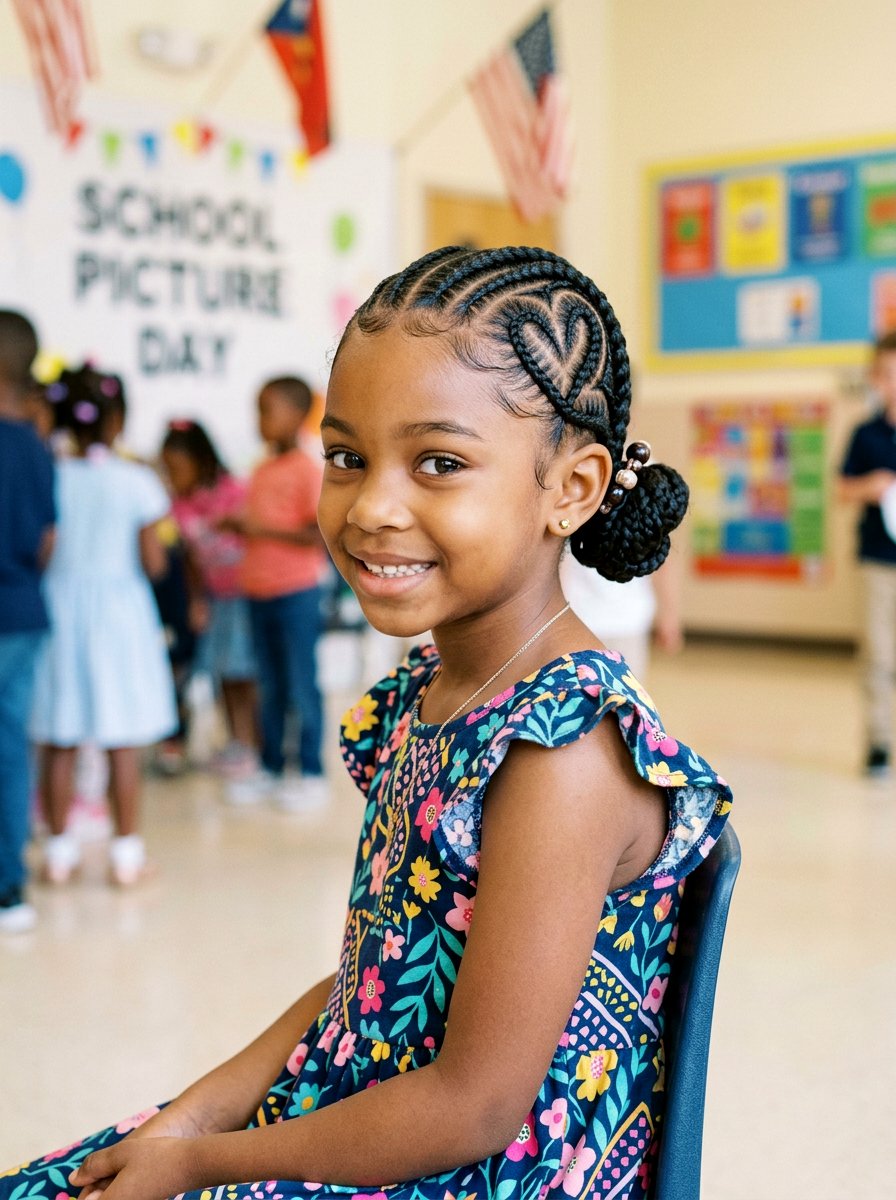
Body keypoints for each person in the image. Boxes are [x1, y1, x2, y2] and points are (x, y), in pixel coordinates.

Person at [1, 248, 732, 1199]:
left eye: (440, 463)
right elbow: (368, 985)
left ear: (572, 488)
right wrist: (182, 1121)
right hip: (368, 1105)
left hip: (477, 1169)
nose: (372, 507)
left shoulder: (561, 751)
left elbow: (475, 1105)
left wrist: (198, 1161)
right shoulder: (435, 687)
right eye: (346, 457)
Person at [29, 365, 177, 886]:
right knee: (122, 740)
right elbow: (155, 563)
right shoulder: (136, 480)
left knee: (59, 736)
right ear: (117, 420)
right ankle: (126, 857)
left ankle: (59, 854)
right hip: (120, 616)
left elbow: (43, 551)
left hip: (61, 612)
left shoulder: (51, 473)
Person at [227, 376, 328, 810]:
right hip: (258, 592)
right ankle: (270, 767)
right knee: (268, 684)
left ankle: (309, 772)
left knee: (300, 683)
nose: (259, 421)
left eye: (267, 410)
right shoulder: (262, 468)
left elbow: (316, 533)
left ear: (297, 415)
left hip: (295, 593)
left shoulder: (308, 470)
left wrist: (258, 529)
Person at [161, 419, 258, 777]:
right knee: (222, 673)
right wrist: (196, 600)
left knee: (245, 676)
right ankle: (237, 743)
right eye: (167, 470)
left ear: (201, 461)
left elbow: (254, 535)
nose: (172, 477)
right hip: (215, 599)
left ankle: (255, 745)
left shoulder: (233, 490)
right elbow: (189, 559)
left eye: (178, 469)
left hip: (245, 595)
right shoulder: (178, 506)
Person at [0, 310, 55, 933]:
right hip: (24, 611)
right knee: (12, 748)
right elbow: (47, 539)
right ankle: (10, 885)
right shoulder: (37, 448)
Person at [839, 329, 896, 777]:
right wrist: (869, 487)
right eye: (886, 375)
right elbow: (842, 488)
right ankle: (879, 741)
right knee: (879, 655)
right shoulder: (865, 434)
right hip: (879, 559)